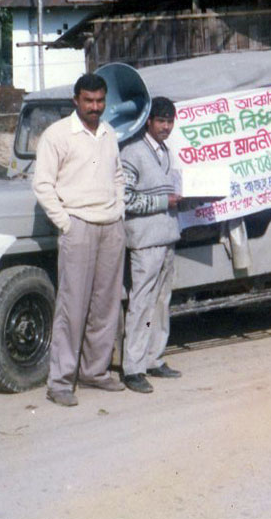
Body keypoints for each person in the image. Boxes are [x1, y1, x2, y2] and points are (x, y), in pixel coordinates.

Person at [33, 73, 128, 406]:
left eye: (100, 101)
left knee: (105, 306)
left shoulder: (108, 133)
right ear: (76, 100)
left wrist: (119, 209)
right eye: (88, 101)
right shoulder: (58, 134)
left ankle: (94, 372)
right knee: (72, 307)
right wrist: (66, 223)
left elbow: (118, 176)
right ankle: (60, 382)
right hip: (78, 226)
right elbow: (42, 184)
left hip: (110, 226)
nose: (95, 107)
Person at [120, 97, 183, 394]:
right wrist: (163, 202)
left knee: (161, 302)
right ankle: (133, 368)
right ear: (149, 121)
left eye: (170, 121)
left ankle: (153, 358)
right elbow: (125, 199)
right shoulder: (132, 152)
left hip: (167, 237)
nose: (166, 127)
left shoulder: (165, 151)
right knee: (141, 302)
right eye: (161, 121)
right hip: (145, 241)